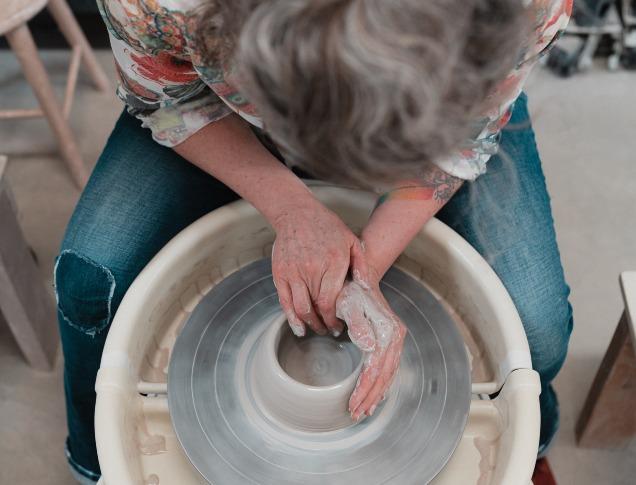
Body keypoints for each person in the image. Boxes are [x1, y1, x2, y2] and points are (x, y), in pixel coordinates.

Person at [55, 1, 573, 483]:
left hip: (444, 123)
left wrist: (364, 267)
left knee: (537, 324)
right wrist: (294, 208)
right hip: (219, 110)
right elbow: (168, 101)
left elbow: (467, 135)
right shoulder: (163, 4)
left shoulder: (520, 8)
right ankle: (97, 461)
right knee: (88, 282)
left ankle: (531, 447)